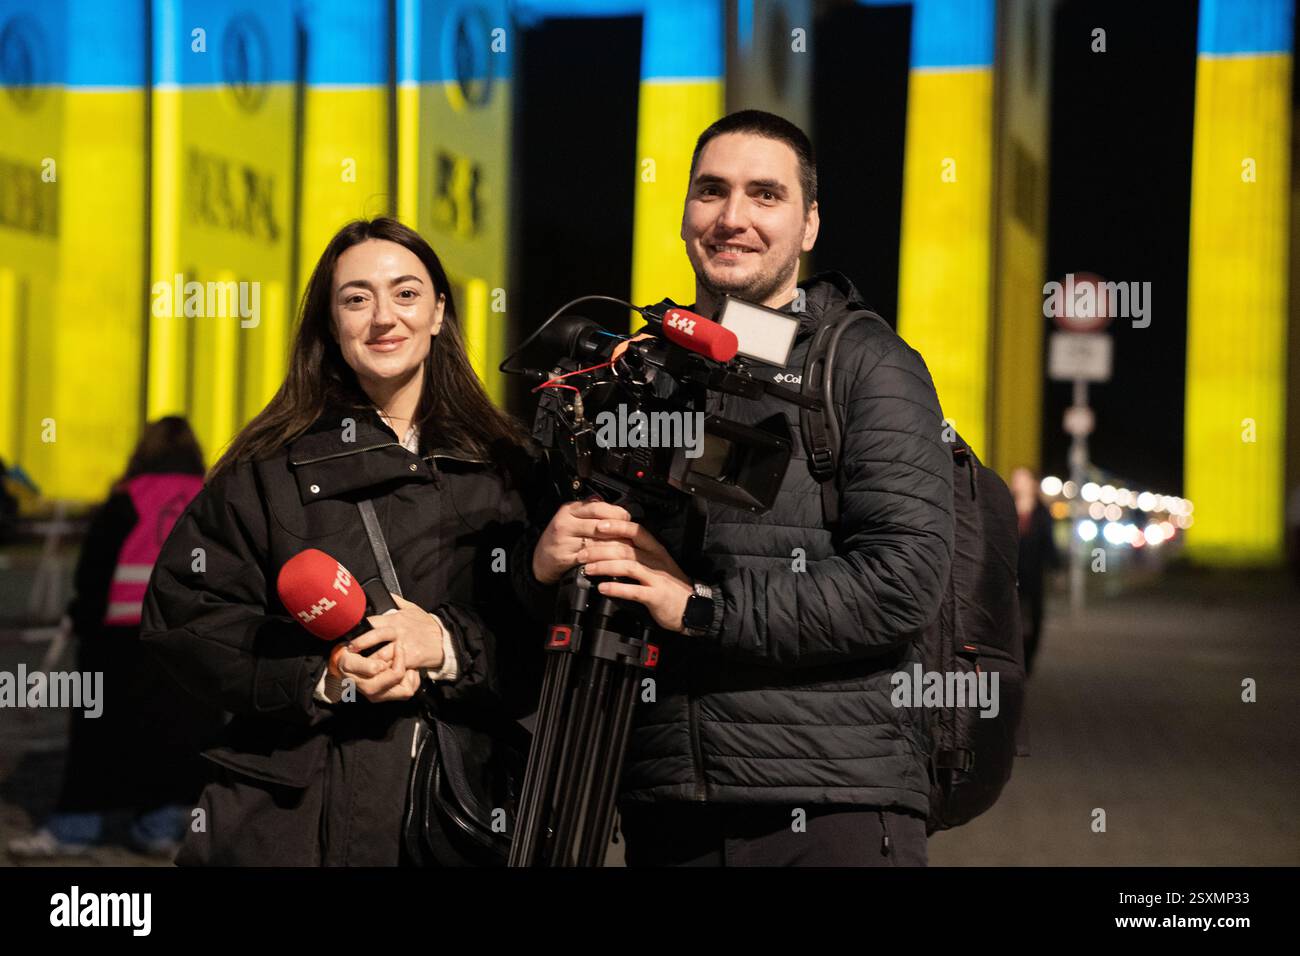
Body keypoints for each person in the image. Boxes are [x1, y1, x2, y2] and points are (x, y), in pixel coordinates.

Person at [529, 110, 955, 866]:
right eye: (711, 192)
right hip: (664, 803)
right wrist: (549, 557)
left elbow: (904, 581)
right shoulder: (641, 372)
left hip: (830, 805)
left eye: (765, 195)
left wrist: (699, 608)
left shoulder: (865, 365)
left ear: (809, 223)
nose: (732, 218)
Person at [140, 217, 548, 866]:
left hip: (457, 820)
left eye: (406, 294)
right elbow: (181, 618)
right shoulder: (267, 467)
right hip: (291, 825)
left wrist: (446, 648)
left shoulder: (511, 466)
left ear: (441, 312)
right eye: (357, 299)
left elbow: (548, 641)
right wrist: (319, 678)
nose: (384, 317)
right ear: (332, 327)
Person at [8, 417, 222, 860]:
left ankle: (77, 827)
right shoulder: (210, 498)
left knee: (99, 739)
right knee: (177, 735)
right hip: (190, 639)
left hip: (120, 639)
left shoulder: (127, 499)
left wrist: (83, 623)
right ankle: (160, 825)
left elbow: (95, 574)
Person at [1010, 466, 1060, 675]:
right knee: (1011, 617)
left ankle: (1028, 661)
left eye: (1022, 479)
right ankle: (1013, 658)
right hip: (1010, 573)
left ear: (1031, 483)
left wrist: (1056, 570)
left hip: (1033, 573)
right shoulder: (1006, 505)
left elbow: (1049, 542)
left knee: (1035, 617)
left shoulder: (1041, 510)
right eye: (1015, 479)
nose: (1017, 483)